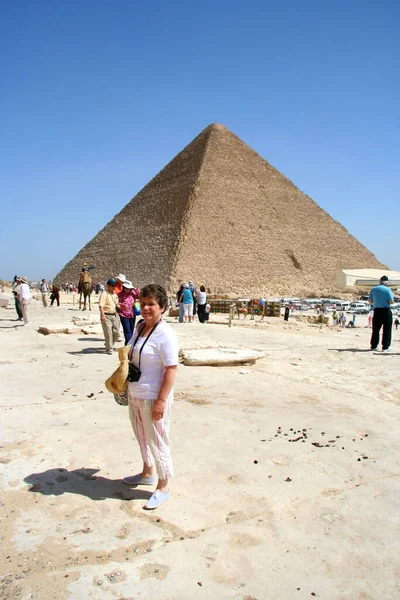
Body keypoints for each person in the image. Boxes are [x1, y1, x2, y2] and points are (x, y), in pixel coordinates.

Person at [123, 283, 178, 510]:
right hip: (135, 393)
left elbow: (171, 369)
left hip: (153, 397)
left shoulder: (165, 334)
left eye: (151, 305)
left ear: (162, 307)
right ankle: (147, 472)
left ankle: (163, 485)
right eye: (143, 304)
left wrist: (161, 401)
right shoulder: (139, 328)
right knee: (142, 436)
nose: (146, 308)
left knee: (157, 440)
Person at [369, 275, 394, 351]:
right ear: (386, 282)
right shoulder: (387, 290)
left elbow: (370, 300)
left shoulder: (373, 289)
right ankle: (385, 346)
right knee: (387, 329)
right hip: (386, 311)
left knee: (375, 329)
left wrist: (376, 303)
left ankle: (374, 346)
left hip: (377, 310)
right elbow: (391, 301)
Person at [99, 278, 120, 354]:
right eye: (113, 286)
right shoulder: (104, 294)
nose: (114, 287)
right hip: (106, 315)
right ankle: (109, 348)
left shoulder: (115, 294)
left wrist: (122, 307)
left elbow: (116, 304)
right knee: (108, 333)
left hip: (114, 315)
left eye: (115, 285)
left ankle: (108, 344)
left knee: (117, 332)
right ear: (108, 286)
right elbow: (101, 305)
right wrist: (102, 315)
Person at [117, 280, 138, 345]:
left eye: (129, 289)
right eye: (126, 288)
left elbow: (139, 295)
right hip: (124, 315)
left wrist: (135, 289)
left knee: (131, 330)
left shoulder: (133, 294)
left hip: (132, 314)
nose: (127, 290)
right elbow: (117, 303)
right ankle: (130, 345)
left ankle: (128, 345)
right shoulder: (120, 294)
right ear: (123, 287)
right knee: (127, 331)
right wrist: (123, 305)